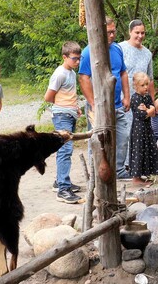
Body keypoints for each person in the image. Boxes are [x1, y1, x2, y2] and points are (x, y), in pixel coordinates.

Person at [79, 17, 131, 179]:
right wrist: (93, 103)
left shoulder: (116, 49)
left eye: (113, 31)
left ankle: (119, 170)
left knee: (123, 136)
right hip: (99, 106)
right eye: (109, 32)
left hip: (117, 104)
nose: (112, 35)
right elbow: (83, 78)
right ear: (100, 32)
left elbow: (122, 72)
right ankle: (96, 173)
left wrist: (126, 96)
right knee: (98, 139)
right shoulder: (89, 52)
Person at [44, 41, 83, 204]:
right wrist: (61, 107)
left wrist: (75, 107)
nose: (78, 62)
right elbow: (48, 97)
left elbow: (69, 94)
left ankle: (60, 181)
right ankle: (63, 189)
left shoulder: (72, 73)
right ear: (64, 57)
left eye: (79, 58)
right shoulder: (60, 73)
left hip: (70, 113)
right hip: (61, 115)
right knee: (65, 149)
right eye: (74, 59)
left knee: (66, 148)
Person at [128, 72, 158, 184]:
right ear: (136, 86)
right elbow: (140, 115)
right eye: (142, 85)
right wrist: (149, 111)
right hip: (138, 129)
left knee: (148, 148)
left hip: (147, 127)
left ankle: (145, 173)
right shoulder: (135, 98)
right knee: (139, 150)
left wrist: (149, 110)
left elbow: (154, 111)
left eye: (147, 84)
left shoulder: (146, 97)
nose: (146, 87)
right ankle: (136, 178)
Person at [119, 19, 155, 100]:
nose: (140, 36)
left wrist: (152, 101)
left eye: (142, 33)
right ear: (130, 32)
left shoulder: (147, 54)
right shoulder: (120, 48)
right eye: (137, 32)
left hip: (141, 102)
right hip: (121, 100)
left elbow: (150, 79)